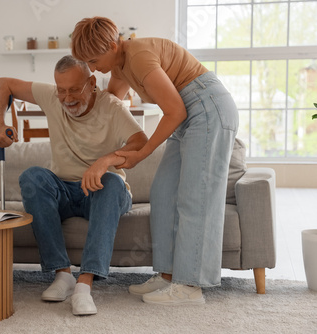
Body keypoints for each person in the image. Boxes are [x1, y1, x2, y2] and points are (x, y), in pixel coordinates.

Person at [71, 17, 239, 305]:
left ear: (113, 45)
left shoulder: (138, 57)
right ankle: (168, 275)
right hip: (188, 113)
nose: (94, 68)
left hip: (206, 108)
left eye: (94, 60)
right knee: (163, 192)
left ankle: (189, 286)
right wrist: (79, 104)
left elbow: (174, 111)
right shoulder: (120, 64)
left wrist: (140, 153)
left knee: (194, 197)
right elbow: (112, 100)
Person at [0, 55, 147, 315]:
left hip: (102, 191)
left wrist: (104, 161)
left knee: (111, 181)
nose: (67, 98)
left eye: (74, 89)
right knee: (32, 176)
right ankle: (63, 275)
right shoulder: (52, 96)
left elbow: (141, 143)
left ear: (92, 82)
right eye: (61, 90)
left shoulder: (112, 107)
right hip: (63, 189)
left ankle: (84, 285)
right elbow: (2, 83)